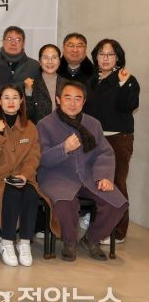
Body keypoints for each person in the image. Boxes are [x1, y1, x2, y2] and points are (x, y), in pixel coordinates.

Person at [37, 81, 128, 262]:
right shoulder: (44, 124)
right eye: (68, 98)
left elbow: (104, 152)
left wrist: (104, 176)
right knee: (65, 203)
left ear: (84, 101)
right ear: (58, 99)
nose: (73, 103)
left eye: (78, 99)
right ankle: (69, 242)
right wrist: (64, 149)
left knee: (117, 203)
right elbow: (41, 159)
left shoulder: (93, 124)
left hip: (89, 176)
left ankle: (91, 239)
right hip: (56, 177)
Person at [0, 84, 46, 267]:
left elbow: (33, 156)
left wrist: (25, 175)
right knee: (10, 192)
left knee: (30, 193)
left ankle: (24, 243)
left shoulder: (30, 127)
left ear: (21, 101)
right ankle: (7, 241)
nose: (11, 102)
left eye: (15, 98)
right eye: (6, 98)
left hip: (23, 176)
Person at [84, 39, 139, 244]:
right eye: (101, 54)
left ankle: (119, 232)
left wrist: (123, 84)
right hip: (94, 139)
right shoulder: (92, 81)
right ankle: (101, 226)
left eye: (110, 54)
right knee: (96, 183)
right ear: (96, 57)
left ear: (118, 57)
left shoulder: (127, 78)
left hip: (117, 138)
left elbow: (129, 105)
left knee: (116, 183)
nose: (105, 58)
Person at [24, 44, 66, 124]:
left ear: (59, 61)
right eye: (46, 58)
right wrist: (28, 93)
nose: (50, 61)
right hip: (39, 129)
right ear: (40, 62)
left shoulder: (67, 85)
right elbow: (27, 115)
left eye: (54, 58)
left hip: (64, 129)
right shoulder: (30, 84)